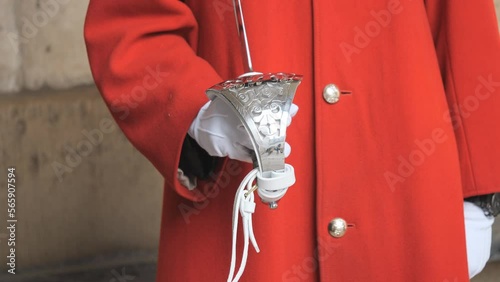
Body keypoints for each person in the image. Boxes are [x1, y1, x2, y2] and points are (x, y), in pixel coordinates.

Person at [84, 0, 500, 281]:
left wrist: (478, 195)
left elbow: (464, 26)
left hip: (406, 196)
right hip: (246, 218)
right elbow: (133, 26)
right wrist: (197, 111)